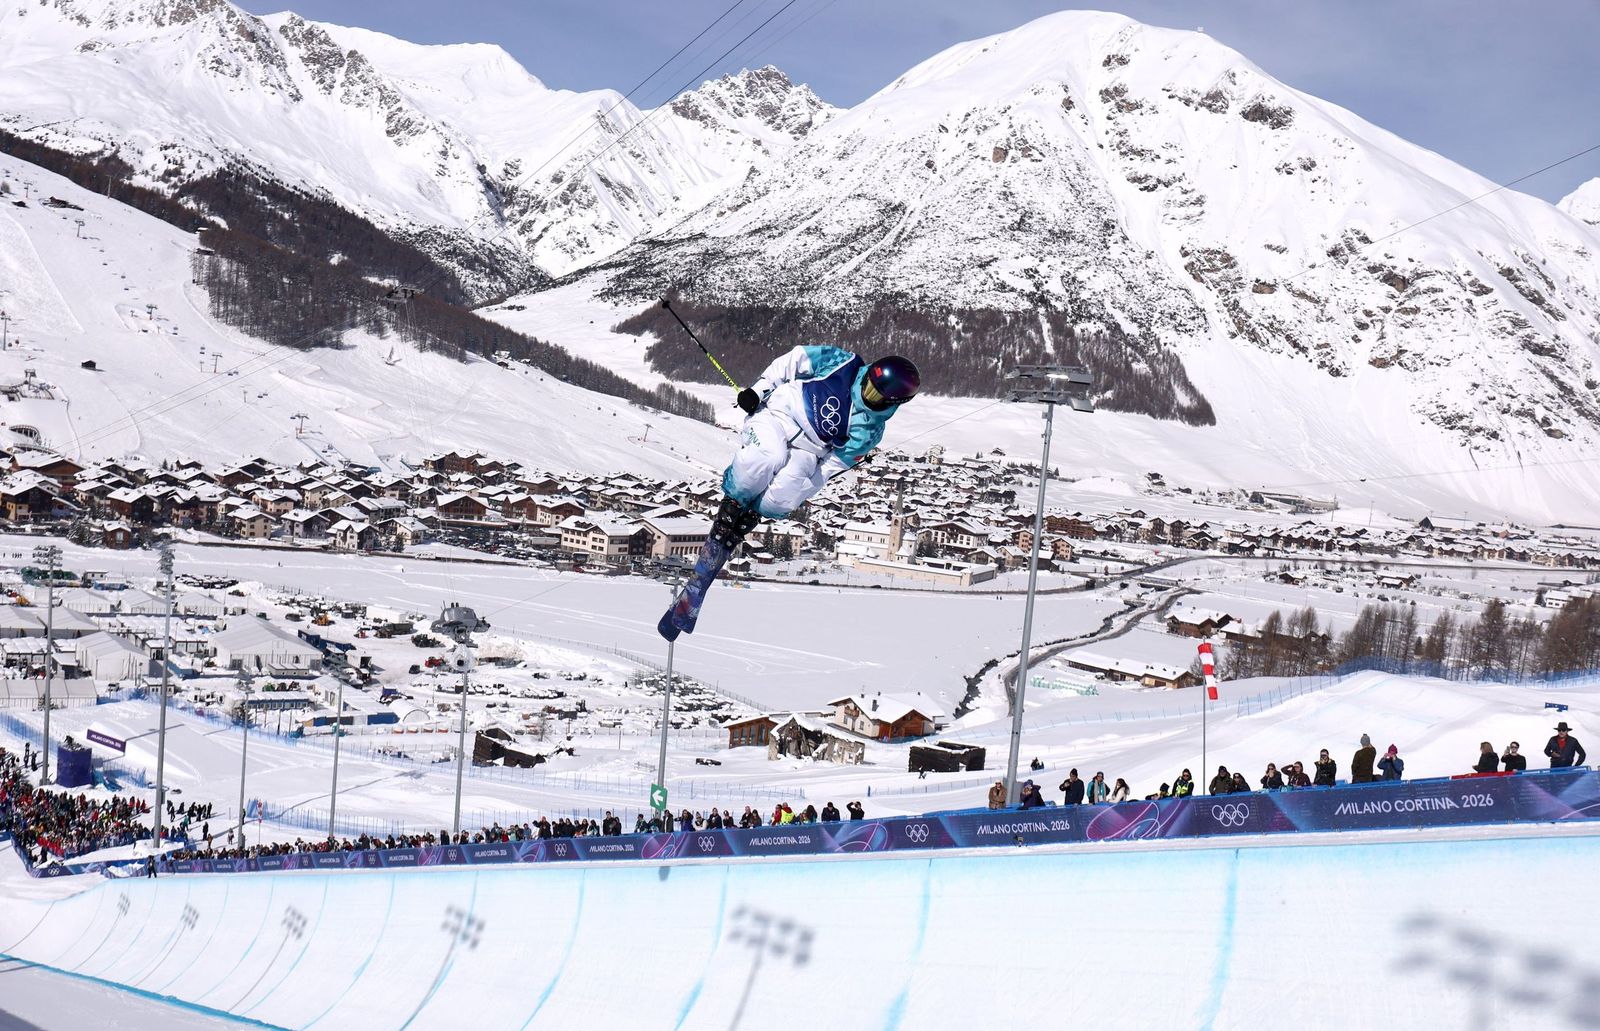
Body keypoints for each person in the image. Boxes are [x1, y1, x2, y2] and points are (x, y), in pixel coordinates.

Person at [711, 348, 922, 547]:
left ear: (892, 401)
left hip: (809, 450)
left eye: (875, 394)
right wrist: (758, 391)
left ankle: (752, 514)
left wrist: (802, 489)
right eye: (867, 383)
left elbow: (832, 466)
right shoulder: (843, 363)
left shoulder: (869, 431)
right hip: (777, 416)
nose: (865, 393)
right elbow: (794, 360)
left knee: (780, 499)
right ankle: (733, 501)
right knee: (770, 456)